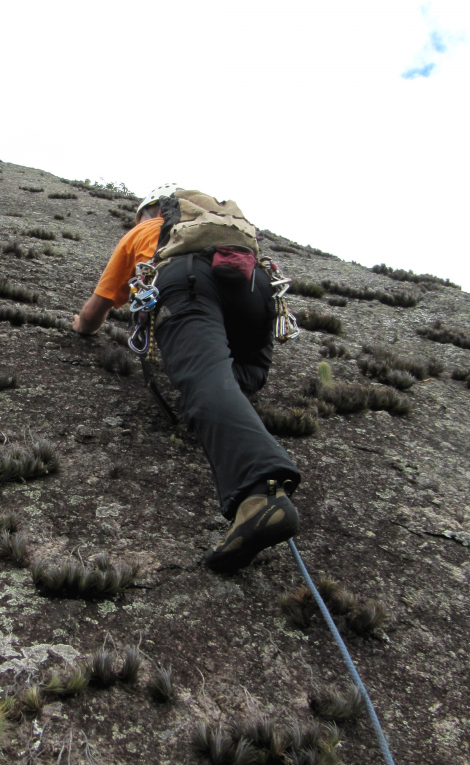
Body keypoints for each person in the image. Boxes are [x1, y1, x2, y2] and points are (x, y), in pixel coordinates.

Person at [72, 184, 301, 573]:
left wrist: (79, 326)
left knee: (205, 377)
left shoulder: (143, 232)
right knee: (242, 376)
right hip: (254, 285)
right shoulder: (222, 229)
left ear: (150, 212)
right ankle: (228, 417)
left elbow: (96, 313)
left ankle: (260, 497)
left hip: (187, 280)